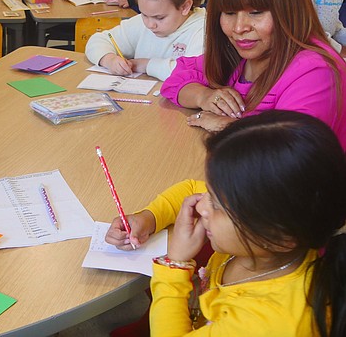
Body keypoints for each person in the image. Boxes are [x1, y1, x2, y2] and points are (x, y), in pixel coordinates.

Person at [105, 110, 346, 336]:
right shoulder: (271, 231)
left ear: (281, 237)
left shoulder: (267, 324)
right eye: (209, 193)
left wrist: (174, 265)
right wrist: (149, 217)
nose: (200, 206)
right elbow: (190, 188)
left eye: (217, 205)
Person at [161, 0, 346, 149]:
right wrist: (203, 96)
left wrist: (230, 126)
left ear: (289, 9)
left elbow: (291, 153)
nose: (239, 27)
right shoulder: (239, 54)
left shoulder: (316, 71)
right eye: (229, 13)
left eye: (256, 12)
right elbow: (175, 79)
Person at [85, 0, 205, 80]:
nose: (150, 24)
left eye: (160, 18)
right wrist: (109, 60)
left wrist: (145, 65)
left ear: (185, 7)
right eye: (144, 15)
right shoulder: (142, 24)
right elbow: (98, 40)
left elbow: (192, 73)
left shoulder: (203, 30)